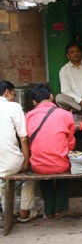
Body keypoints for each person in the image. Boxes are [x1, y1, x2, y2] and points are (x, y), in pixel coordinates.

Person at [26, 84, 76, 220]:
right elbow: (71, 143)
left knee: (43, 172)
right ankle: (59, 209)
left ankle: (48, 210)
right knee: (65, 168)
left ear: (34, 102)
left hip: (38, 165)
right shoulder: (66, 115)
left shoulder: (28, 116)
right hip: (61, 164)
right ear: (51, 96)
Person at [0, 80, 37, 223]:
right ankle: (24, 211)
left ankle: (8, 210)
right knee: (30, 174)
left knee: (3, 178)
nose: (14, 98)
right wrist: (26, 162)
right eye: (13, 95)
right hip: (11, 163)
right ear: (7, 92)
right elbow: (23, 138)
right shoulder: (13, 107)